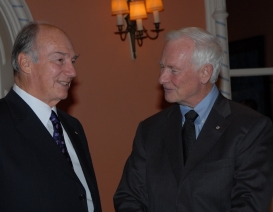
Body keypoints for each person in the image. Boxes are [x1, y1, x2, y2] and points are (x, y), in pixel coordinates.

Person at [113, 27, 273, 212]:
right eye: (162, 67)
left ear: (205, 73)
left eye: (173, 70)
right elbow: (129, 197)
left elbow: (249, 204)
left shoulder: (250, 128)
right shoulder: (150, 129)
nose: (162, 78)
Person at [0, 21, 102, 212]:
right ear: (25, 63)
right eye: (59, 60)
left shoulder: (73, 126)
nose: (72, 72)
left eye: (72, 61)